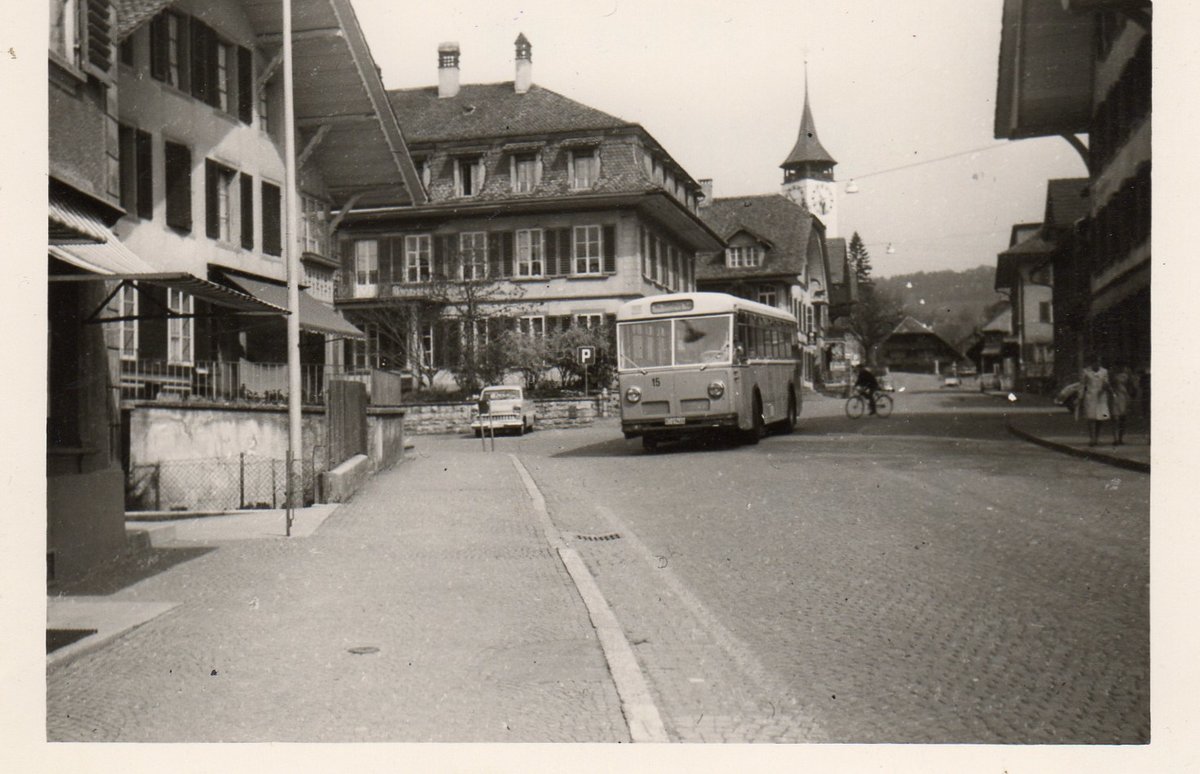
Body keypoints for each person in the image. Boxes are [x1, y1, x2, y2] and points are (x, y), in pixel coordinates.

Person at [1075, 354, 1113, 447]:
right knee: (1091, 418)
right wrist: (1079, 397)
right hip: (1090, 397)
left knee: (1100, 418)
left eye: (1098, 362)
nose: (1097, 364)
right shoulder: (1086, 372)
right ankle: (1092, 438)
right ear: (1091, 363)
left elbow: (1107, 383)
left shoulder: (1104, 371)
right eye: (1094, 362)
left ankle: (1097, 437)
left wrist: (1105, 387)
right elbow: (1082, 385)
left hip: (1101, 397)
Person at [1109, 364, 1139, 446]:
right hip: (1115, 397)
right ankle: (1115, 439)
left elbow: (1132, 386)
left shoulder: (1127, 374)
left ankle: (1120, 438)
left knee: (1123, 418)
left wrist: (1131, 395)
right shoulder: (1112, 373)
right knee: (1115, 418)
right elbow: (1109, 385)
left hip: (1124, 397)